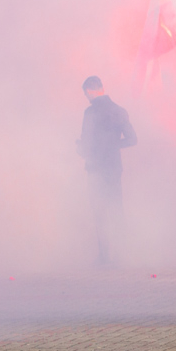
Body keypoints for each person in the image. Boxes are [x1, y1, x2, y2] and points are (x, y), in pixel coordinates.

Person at [77, 76, 137, 265]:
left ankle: (104, 257)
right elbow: (132, 139)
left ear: (90, 91)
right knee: (117, 211)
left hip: (96, 169)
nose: (87, 98)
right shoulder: (119, 111)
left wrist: (80, 148)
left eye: (86, 94)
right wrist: (113, 145)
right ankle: (123, 256)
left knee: (100, 212)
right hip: (114, 168)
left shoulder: (90, 112)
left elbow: (86, 145)